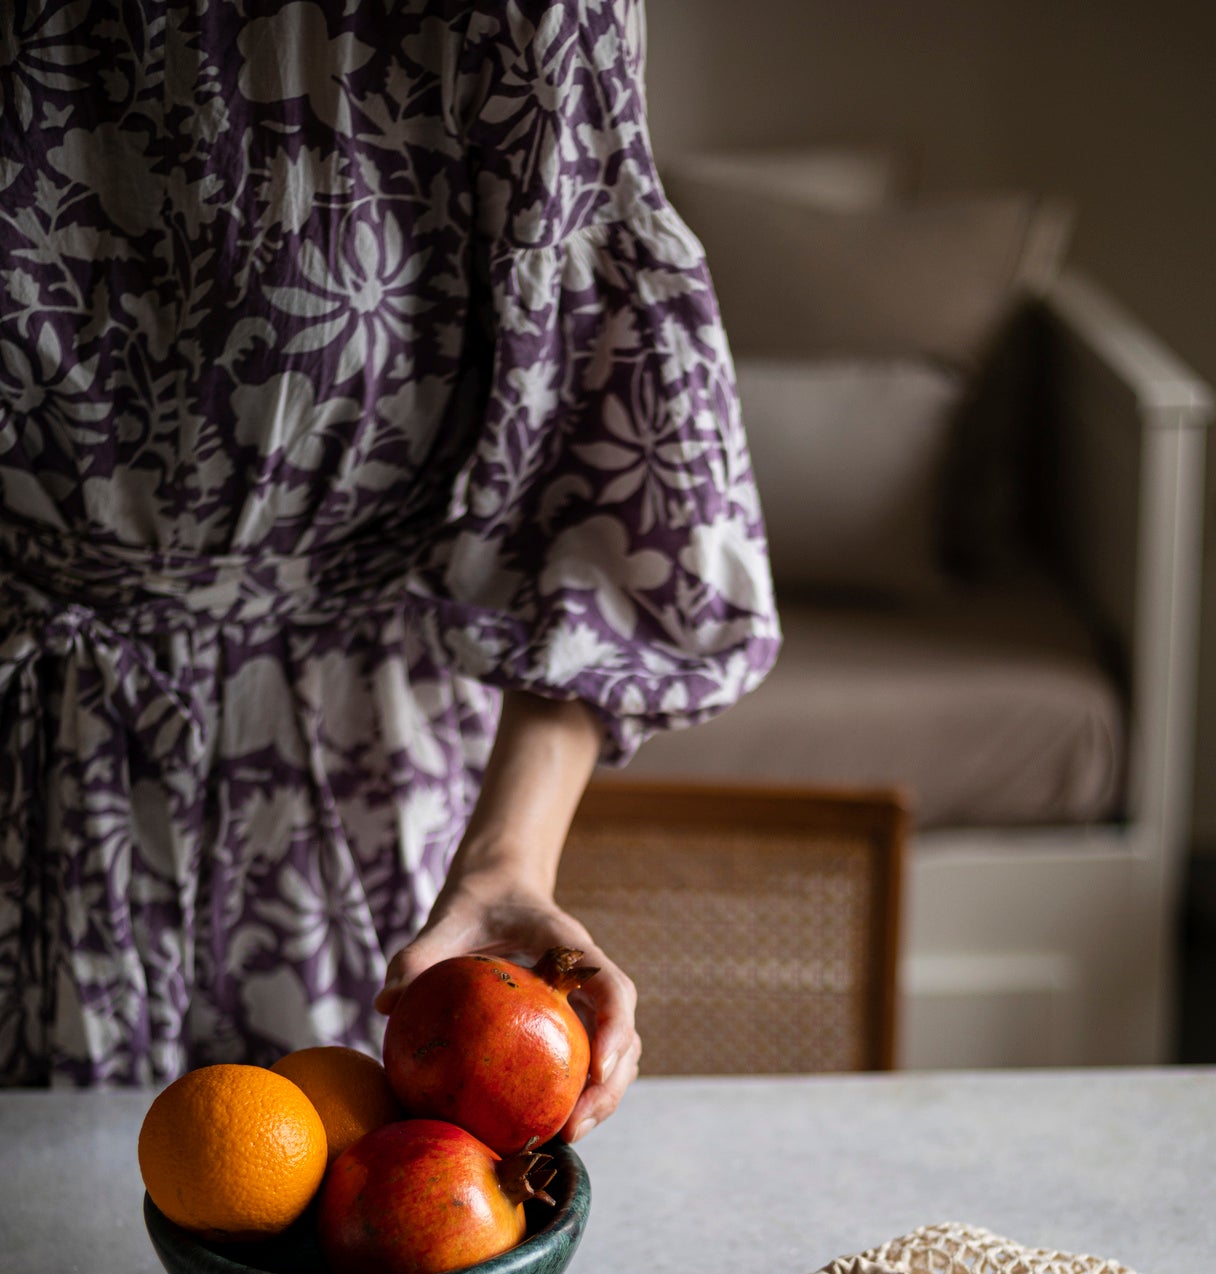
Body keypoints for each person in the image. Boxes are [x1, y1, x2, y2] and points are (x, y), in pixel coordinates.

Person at [0, 1, 782, 1141]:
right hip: (29, 779)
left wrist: (508, 863)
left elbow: (598, 479)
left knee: (365, 1232)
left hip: (359, 800)